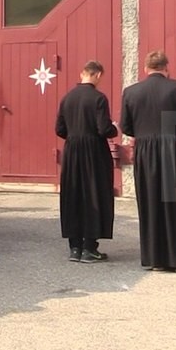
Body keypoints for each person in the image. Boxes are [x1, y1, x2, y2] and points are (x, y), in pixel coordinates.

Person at [120, 50, 176, 273]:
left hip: (146, 151)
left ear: (146, 68)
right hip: (174, 147)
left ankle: (156, 258)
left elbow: (127, 127)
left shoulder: (131, 92)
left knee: (151, 200)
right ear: (166, 68)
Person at [55, 60, 120, 263]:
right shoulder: (99, 98)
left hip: (72, 150)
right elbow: (104, 129)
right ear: (98, 75)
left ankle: (75, 247)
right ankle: (90, 247)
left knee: (73, 195)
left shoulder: (67, 98)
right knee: (94, 194)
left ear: (81, 73)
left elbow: (59, 129)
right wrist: (114, 128)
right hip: (94, 151)